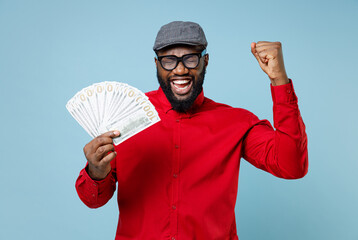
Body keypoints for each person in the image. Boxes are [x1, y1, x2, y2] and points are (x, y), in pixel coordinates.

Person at [75, 21, 308, 240]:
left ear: (205, 62)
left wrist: (279, 80)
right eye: (168, 60)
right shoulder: (124, 116)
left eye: (190, 59)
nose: (179, 69)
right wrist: (96, 171)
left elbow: (292, 165)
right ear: (157, 64)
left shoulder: (237, 123)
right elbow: (93, 200)